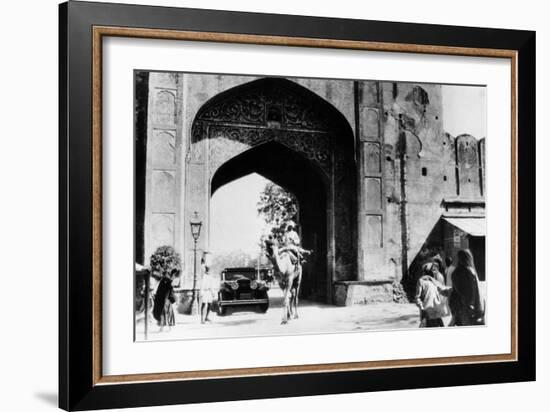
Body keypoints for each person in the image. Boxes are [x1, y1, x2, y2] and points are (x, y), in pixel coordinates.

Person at [450, 249, 484, 326]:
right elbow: (475, 291)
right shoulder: (472, 271)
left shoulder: (458, 272)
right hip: (473, 307)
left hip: (463, 307)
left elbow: (461, 291)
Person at [415, 262, 451, 327]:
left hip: (436, 312)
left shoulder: (434, 281)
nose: (434, 272)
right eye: (433, 270)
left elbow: (443, 290)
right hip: (427, 312)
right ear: (428, 271)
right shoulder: (421, 281)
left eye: (434, 270)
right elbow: (417, 297)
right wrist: (422, 308)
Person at [199, 252, 218, 324]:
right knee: (203, 304)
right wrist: (201, 292)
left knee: (209, 304)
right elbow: (202, 284)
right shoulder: (203, 275)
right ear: (205, 270)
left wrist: (213, 293)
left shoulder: (210, 276)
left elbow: (212, 285)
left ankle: (206, 317)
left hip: (209, 292)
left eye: (208, 269)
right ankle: (201, 319)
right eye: (207, 269)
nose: (208, 270)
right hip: (204, 291)